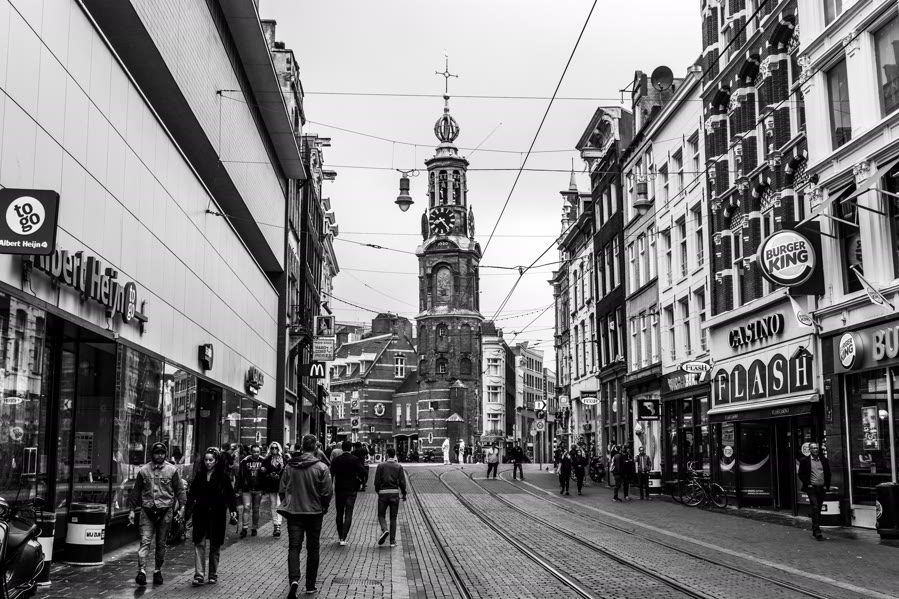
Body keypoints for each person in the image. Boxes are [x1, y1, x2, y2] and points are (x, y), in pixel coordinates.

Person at [280, 434, 333, 598]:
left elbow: (282, 489)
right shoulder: (322, 467)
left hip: (294, 512)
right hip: (314, 513)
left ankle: (294, 579)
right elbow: (327, 492)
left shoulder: (290, 466)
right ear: (316, 448)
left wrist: (288, 503)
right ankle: (310, 584)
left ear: (302, 447)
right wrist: (323, 507)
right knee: (313, 547)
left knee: (294, 547)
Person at [127, 443, 187, 587]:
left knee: (161, 544)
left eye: (162, 453)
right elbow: (136, 490)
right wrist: (131, 509)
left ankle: (157, 570)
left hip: (165, 512)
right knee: (145, 541)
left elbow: (179, 490)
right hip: (147, 511)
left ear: (165, 454)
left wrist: (182, 507)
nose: (159, 455)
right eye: (157, 453)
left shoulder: (172, 470)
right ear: (152, 454)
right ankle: (141, 571)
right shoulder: (143, 470)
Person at [185, 448, 238, 586]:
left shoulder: (223, 477)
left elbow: (230, 495)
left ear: (216, 461)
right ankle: (199, 575)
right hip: (201, 514)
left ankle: (213, 574)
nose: (208, 462)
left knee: (215, 545)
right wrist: (186, 513)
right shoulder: (200, 475)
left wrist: (233, 510)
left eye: (211, 460)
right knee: (199, 543)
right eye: (206, 460)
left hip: (217, 514)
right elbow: (192, 495)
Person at [330, 440, 368, 546]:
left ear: (342, 448)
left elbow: (331, 473)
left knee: (339, 513)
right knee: (348, 513)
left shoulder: (336, 460)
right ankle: (343, 537)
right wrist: (358, 477)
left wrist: (331, 486)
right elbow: (364, 472)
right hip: (352, 489)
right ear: (351, 448)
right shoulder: (354, 459)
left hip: (339, 489)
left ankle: (340, 536)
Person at [374, 446, 407, 547]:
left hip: (383, 493)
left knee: (381, 515)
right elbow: (402, 482)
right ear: (394, 455)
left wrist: (378, 491)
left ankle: (385, 529)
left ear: (387, 455)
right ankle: (392, 541)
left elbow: (377, 481)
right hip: (394, 493)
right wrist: (404, 493)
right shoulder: (399, 466)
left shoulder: (380, 466)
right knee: (393, 517)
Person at [798, 442, 832, 541]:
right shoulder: (804, 460)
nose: (816, 450)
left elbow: (828, 473)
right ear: (810, 450)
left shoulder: (823, 460)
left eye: (817, 448)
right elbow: (801, 474)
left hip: (821, 488)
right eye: (813, 448)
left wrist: (826, 486)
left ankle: (815, 528)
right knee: (815, 506)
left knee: (818, 508)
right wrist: (808, 484)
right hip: (812, 488)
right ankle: (817, 531)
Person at [237, 444, 265, 537]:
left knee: (256, 509)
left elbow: (267, 474)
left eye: (257, 452)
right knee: (246, 507)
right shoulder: (245, 461)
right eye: (254, 452)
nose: (256, 454)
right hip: (247, 489)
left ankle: (254, 528)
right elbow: (240, 475)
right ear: (251, 452)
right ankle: (244, 528)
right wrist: (238, 487)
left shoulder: (263, 461)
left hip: (258, 489)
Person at [261, 442, 286, 537]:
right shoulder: (267, 459)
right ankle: (275, 524)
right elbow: (263, 472)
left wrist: (280, 476)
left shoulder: (283, 459)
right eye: (272, 448)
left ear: (279, 449)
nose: (274, 449)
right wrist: (269, 474)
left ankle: (278, 525)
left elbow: (286, 471)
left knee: (279, 504)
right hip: (271, 484)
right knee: (273, 504)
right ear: (270, 449)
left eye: (276, 448)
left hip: (280, 484)